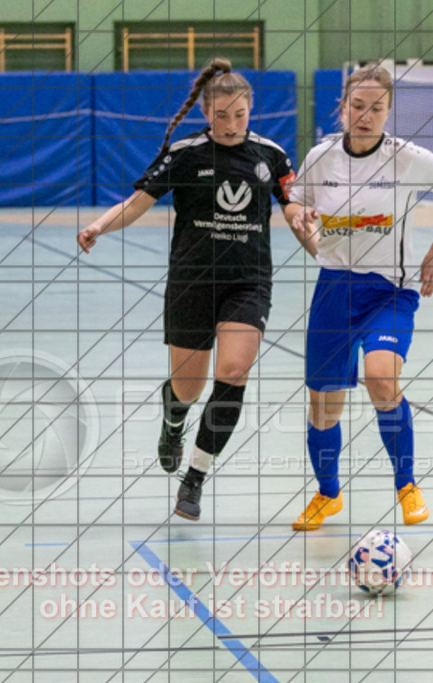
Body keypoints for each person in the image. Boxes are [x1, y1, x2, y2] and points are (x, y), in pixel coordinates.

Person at [76, 58, 295, 521]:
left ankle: (195, 477)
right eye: (222, 116)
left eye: (240, 115)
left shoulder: (271, 156)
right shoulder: (185, 152)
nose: (232, 125)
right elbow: (136, 204)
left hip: (248, 281)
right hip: (191, 281)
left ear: (251, 111)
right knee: (188, 386)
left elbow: (295, 207)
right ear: (206, 114)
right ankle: (173, 419)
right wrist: (99, 225)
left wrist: (314, 229)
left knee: (233, 370)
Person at [284, 62, 433, 530]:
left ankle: (406, 484)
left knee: (380, 379)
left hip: (390, 290)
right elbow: (295, 204)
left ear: (389, 111)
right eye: (357, 106)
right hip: (334, 287)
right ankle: (328, 495)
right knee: (323, 402)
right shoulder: (320, 157)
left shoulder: (406, 158)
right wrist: (300, 221)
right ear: (342, 108)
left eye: (377, 108)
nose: (365, 115)